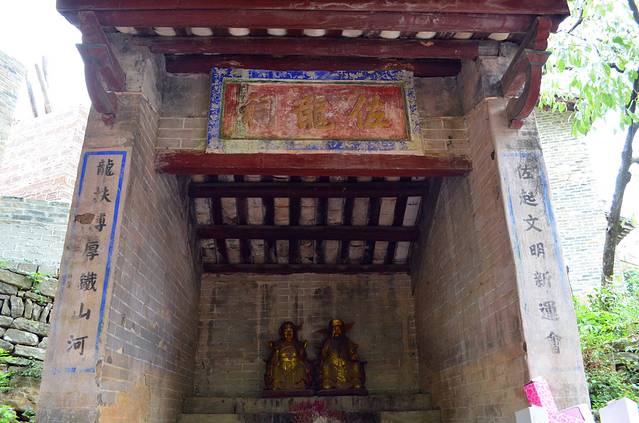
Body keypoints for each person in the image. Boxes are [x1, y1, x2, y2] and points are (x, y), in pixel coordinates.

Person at [319, 319, 365, 390]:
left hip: (346, 365)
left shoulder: (347, 341)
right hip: (332, 365)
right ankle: (328, 381)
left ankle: (355, 380)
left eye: (338, 328)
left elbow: (352, 353)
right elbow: (323, 354)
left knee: (356, 365)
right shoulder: (328, 342)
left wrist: (354, 355)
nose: (336, 330)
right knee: (326, 366)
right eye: (334, 328)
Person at [264, 321, 311, 391]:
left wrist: (302, 351)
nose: (289, 333)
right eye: (286, 331)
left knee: (302, 367)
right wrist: (276, 353)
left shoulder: (297, 344)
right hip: (282, 367)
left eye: (290, 331)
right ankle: (279, 385)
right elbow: (273, 359)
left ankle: (298, 384)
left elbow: (303, 358)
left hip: (295, 367)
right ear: (283, 333)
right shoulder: (278, 344)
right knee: (275, 369)